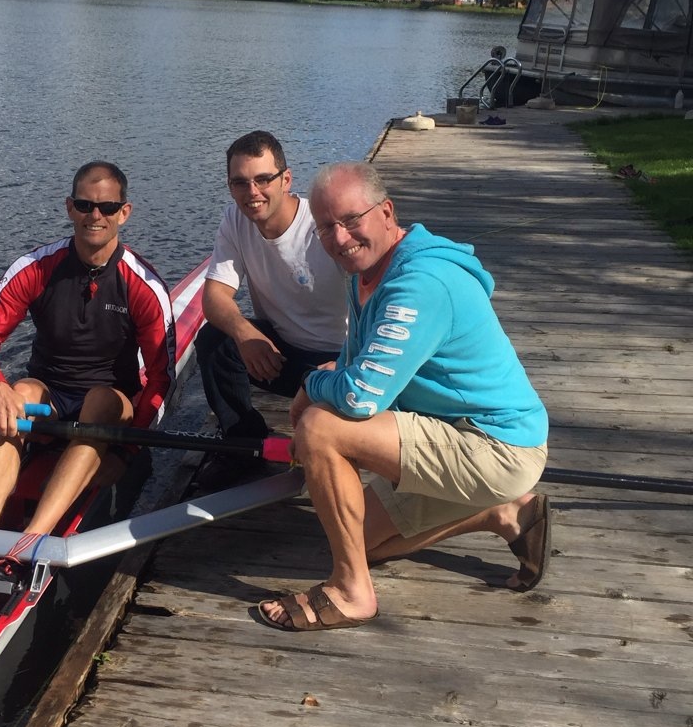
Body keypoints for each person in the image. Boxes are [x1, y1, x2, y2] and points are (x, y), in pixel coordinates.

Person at [258, 161, 550, 632]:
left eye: (352, 219)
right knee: (357, 540)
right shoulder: (367, 271)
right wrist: (327, 381)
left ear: (387, 212)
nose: (340, 237)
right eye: (326, 227)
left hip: (496, 445)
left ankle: (352, 593)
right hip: (459, 434)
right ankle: (504, 510)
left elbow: (357, 398)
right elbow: (355, 366)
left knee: (321, 427)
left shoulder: (420, 283)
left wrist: (308, 388)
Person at [0, 161, 174, 552]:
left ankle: (29, 545)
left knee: (98, 401)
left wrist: (128, 451)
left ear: (123, 213)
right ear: (69, 208)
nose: (95, 216)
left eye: (108, 207)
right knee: (20, 392)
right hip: (51, 403)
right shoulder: (35, 268)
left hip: (110, 407)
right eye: (84, 205)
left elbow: (162, 379)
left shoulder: (143, 286)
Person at [194, 131, 349, 490]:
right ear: (230, 186)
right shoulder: (235, 220)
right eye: (240, 183)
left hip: (337, 361)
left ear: (286, 179)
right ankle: (241, 443)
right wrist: (245, 334)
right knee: (215, 339)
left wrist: (350, 365)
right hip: (279, 356)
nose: (253, 193)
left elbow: (376, 299)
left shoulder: (325, 226)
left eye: (263, 179)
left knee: (330, 445)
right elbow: (215, 296)